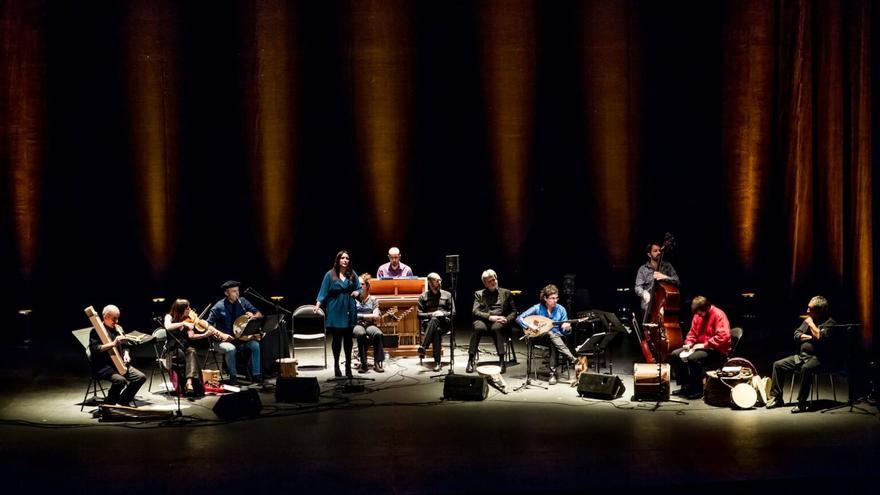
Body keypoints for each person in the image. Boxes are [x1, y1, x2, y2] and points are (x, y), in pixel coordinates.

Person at [765, 296, 837, 413]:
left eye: (810, 309)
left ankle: (801, 403)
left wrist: (811, 325)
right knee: (778, 365)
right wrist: (810, 337)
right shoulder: (809, 319)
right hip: (803, 356)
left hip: (820, 358)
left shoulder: (830, 323)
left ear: (819, 310)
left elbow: (820, 337)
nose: (807, 311)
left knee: (805, 368)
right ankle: (777, 398)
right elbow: (797, 334)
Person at [164, 298, 231, 397]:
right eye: (187, 308)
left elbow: (191, 336)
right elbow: (167, 326)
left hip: (185, 347)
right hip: (172, 349)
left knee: (192, 351)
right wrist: (183, 323)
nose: (190, 310)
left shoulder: (188, 319)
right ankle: (188, 383)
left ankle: (189, 382)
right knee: (183, 354)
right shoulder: (169, 317)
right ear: (181, 309)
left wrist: (205, 335)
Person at [668, 296, 731, 399]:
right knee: (675, 354)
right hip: (699, 347)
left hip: (716, 349)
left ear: (707, 308)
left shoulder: (718, 314)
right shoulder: (698, 315)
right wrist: (689, 343)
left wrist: (705, 345)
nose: (698, 315)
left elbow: (724, 336)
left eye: (700, 313)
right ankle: (686, 386)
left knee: (693, 358)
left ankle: (697, 390)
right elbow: (692, 333)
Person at [516, 284, 577, 385]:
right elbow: (519, 318)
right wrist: (529, 326)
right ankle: (570, 357)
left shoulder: (561, 309)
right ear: (545, 298)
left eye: (556, 298)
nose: (555, 300)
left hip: (556, 339)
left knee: (553, 337)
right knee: (550, 333)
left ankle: (553, 373)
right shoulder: (537, 308)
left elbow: (564, 332)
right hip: (539, 337)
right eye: (552, 298)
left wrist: (567, 328)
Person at [207, 280, 263, 386]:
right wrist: (221, 334)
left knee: (255, 345)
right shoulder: (218, 306)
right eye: (233, 291)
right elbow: (207, 325)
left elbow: (259, 314)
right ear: (226, 293)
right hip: (223, 340)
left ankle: (256, 375)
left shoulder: (243, 301)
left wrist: (253, 317)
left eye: (238, 290)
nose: (237, 294)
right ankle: (233, 376)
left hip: (241, 339)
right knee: (231, 349)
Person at [88, 304, 146, 406]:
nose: (117, 321)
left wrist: (126, 354)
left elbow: (126, 345)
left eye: (117, 318)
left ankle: (123, 401)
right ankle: (108, 405)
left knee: (140, 377)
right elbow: (95, 349)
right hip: (104, 366)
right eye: (114, 318)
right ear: (106, 317)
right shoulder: (95, 331)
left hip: (119, 364)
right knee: (120, 381)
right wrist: (113, 343)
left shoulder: (118, 328)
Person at [316, 250, 362, 378]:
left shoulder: (352, 274)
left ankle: (348, 367)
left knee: (348, 339)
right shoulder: (330, 274)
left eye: (347, 258)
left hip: (349, 307)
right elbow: (323, 291)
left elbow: (359, 287)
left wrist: (357, 292)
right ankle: (336, 366)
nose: (345, 260)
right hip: (335, 308)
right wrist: (318, 305)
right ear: (338, 260)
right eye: (342, 258)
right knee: (336, 339)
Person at [467, 269, 517, 374]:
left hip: (500, 320)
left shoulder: (506, 293)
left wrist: (506, 319)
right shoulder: (479, 294)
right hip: (484, 320)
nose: (493, 282)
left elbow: (513, 311)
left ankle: (501, 361)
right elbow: (475, 311)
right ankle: (470, 360)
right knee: (477, 328)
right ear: (485, 283)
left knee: (496, 328)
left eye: (494, 279)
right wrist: (490, 317)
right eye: (489, 281)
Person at [417, 272, 455, 371]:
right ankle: (437, 363)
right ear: (430, 283)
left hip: (444, 323)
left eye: (440, 280)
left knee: (436, 323)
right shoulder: (423, 296)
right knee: (436, 329)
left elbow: (453, 312)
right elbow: (419, 314)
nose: (439, 282)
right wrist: (432, 314)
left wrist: (443, 313)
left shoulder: (447, 295)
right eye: (436, 281)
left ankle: (424, 346)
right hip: (430, 325)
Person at [353, 273, 385, 373]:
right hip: (357, 324)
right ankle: (364, 363)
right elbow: (352, 316)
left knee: (378, 334)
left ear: (367, 286)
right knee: (361, 334)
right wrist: (368, 316)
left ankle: (377, 363)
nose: (359, 286)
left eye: (362, 284)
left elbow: (376, 315)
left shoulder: (373, 299)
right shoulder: (353, 299)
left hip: (369, 325)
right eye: (358, 284)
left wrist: (361, 315)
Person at [634, 241, 680, 310]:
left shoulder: (668, 266)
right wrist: (644, 293)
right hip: (647, 307)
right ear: (649, 254)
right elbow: (638, 287)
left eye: (660, 250)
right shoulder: (643, 269)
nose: (659, 252)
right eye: (655, 251)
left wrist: (665, 277)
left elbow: (677, 281)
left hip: (663, 306)